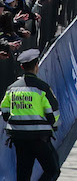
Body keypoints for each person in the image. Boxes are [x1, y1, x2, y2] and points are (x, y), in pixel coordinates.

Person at [1, 48, 60, 181]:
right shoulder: (42, 88)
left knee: (23, 174)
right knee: (53, 170)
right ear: (36, 66)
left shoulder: (12, 88)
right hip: (39, 138)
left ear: (22, 66)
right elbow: (54, 112)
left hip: (19, 138)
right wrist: (53, 125)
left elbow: (4, 111)